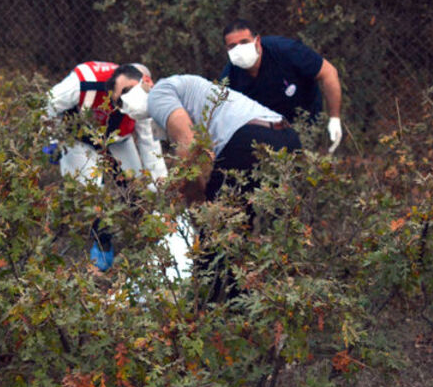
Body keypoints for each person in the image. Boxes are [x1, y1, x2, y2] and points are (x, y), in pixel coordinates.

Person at [107, 72, 301, 301]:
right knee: (244, 225)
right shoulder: (178, 89)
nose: (126, 101)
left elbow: (189, 147)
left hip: (248, 139)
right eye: (119, 102)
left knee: (216, 229)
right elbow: (198, 155)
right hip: (286, 137)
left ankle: (210, 304)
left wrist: (192, 201)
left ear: (146, 80)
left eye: (127, 90)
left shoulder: (158, 94)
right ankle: (255, 297)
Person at [46, 61, 167, 271]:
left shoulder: (144, 99)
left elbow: (149, 145)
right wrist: (52, 139)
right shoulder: (84, 82)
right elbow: (48, 104)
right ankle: (102, 242)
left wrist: (160, 187)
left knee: (135, 185)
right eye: (123, 95)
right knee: (90, 193)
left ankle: (145, 230)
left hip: (118, 138)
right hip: (80, 139)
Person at [220, 19, 344, 153]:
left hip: (306, 122)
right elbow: (224, 117)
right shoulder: (229, 78)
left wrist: (334, 118)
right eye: (232, 46)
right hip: (266, 136)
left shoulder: (285, 50)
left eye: (244, 42)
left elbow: (328, 72)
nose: (239, 49)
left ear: (257, 41)